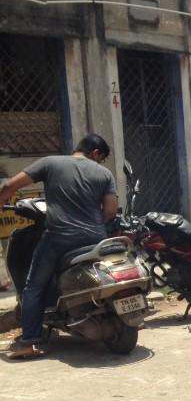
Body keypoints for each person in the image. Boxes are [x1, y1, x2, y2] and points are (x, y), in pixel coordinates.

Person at [0, 135, 118, 359]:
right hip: (95, 237)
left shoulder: (50, 163)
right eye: (100, 159)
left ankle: (29, 341)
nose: (99, 164)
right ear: (95, 153)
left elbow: (9, 185)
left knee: (33, 287)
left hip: (59, 238)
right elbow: (110, 211)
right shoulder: (105, 174)